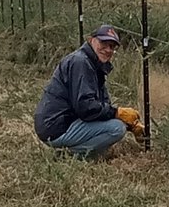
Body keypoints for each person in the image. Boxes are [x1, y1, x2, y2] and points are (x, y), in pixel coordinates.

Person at [34, 23, 143, 157]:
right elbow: (85, 108)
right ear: (91, 40)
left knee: (118, 124)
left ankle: (74, 150)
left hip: (59, 122)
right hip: (56, 126)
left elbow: (100, 105)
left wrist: (130, 124)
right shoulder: (81, 63)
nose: (108, 49)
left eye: (112, 46)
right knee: (116, 129)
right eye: (104, 43)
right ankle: (70, 155)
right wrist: (117, 113)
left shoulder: (93, 64)